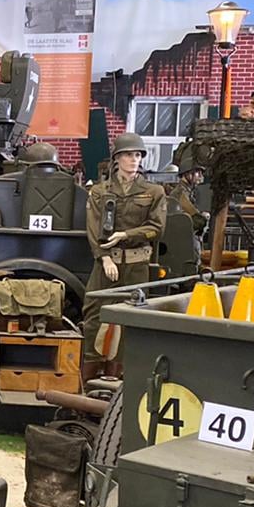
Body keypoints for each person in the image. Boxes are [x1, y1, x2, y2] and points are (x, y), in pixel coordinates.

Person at [81, 133, 166, 375]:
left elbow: (157, 228)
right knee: (94, 314)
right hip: (107, 263)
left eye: (137, 155)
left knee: (130, 318)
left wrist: (126, 235)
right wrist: (105, 257)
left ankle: (117, 375)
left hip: (137, 265)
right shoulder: (99, 191)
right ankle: (90, 374)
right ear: (117, 159)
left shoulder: (153, 192)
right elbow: (93, 227)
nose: (134, 159)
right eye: (128, 155)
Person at [167, 164, 209, 235]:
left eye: (201, 173)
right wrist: (203, 216)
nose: (201, 176)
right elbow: (196, 218)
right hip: (179, 233)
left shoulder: (187, 190)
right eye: (198, 172)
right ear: (188, 174)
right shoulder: (180, 192)